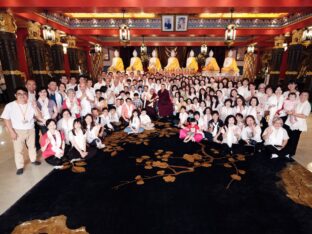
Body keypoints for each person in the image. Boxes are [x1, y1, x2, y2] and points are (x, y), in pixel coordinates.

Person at [1, 87, 43, 175]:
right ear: (15, 95)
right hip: (17, 131)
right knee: (18, 150)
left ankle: (33, 160)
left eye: (24, 94)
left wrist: (35, 107)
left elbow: (39, 116)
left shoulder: (31, 104)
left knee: (32, 146)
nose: (22, 96)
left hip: (30, 129)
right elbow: (6, 119)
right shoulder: (10, 105)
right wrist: (11, 131)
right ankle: (20, 166)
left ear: (27, 95)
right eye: (19, 94)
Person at [285, 91, 311, 158]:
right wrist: (289, 111)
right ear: (299, 95)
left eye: (305, 95)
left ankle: (291, 153)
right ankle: (286, 151)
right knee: (289, 138)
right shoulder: (297, 101)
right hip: (291, 122)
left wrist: (294, 114)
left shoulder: (307, 105)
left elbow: (305, 116)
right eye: (302, 95)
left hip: (299, 124)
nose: (303, 96)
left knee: (294, 139)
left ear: (308, 97)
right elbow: (292, 108)